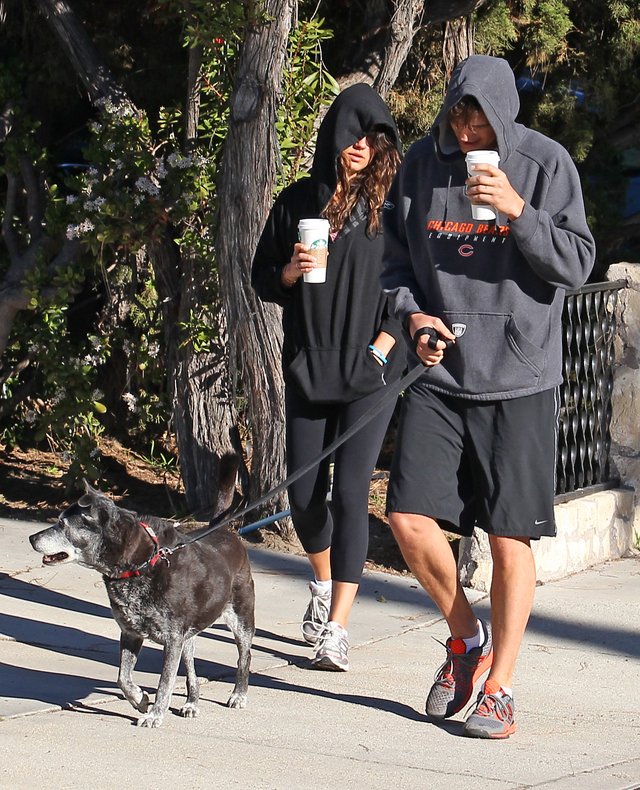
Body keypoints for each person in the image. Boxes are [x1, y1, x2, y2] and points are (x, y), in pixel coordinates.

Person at [381, 55, 596, 737]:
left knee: (509, 540)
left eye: (479, 120)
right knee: (407, 520)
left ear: (502, 114)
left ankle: (500, 688)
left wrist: (518, 211)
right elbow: (394, 264)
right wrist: (414, 316)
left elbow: (576, 262)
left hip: (519, 376)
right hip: (441, 375)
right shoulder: (422, 164)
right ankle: (465, 637)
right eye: (458, 117)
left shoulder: (546, 163)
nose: (468, 132)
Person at [251, 84, 404, 671]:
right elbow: (263, 277)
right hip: (310, 366)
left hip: (372, 371)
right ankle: (321, 581)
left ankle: (337, 627)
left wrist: (383, 351)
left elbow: (406, 287)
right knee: (304, 495)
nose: (362, 145)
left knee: (350, 495)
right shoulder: (297, 201)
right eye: (354, 134)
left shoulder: (390, 208)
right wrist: (289, 270)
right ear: (335, 135)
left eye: (375, 136)